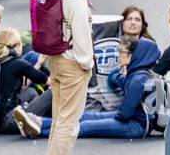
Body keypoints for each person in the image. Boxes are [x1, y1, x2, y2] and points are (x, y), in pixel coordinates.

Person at [14, 34, 159, 141]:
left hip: (136, 126)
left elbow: (125, 114)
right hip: (130, 118)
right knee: (83, 116)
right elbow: (117, 80)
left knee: (87, 125)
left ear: (135, 55)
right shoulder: (136, 74)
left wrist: (106, 118)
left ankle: (38, 130)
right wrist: (118, 75)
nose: (118, 55)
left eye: (122, 52)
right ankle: (39, 121)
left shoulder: (138, 80)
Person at [41, 0, 94, 155]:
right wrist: (86, 63)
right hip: (73, 62)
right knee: (70, 117)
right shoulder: (77, 0)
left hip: (56, 59)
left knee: (59, 113)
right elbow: (82, 37)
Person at [0, 27, 48, 129]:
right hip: (10, 120)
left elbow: (24, 85)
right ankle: (36, 121)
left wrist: (39, 64)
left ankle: (35, 119)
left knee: (30, 92)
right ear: (17, 45)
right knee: (53, 91)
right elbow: (46, 80)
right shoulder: (16, 63)